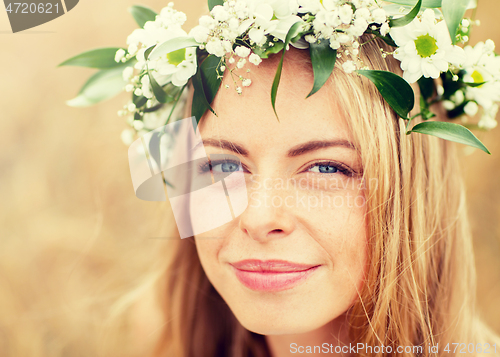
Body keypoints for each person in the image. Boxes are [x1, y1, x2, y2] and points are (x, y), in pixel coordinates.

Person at [60, 1, 500, 356]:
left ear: (412, 189)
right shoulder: (161, 343)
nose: (257, 216)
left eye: (327, 168)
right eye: (222, 166)